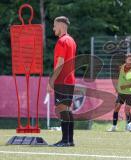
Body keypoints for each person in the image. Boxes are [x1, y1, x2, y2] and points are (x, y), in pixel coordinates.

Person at [47, 16, 76, 147]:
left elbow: (60, 63)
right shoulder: (71, 40)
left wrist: (51, 81)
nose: (53, 29)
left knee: (62, 109)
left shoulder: (62, 41)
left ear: (60, 25)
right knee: (67, 110)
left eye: (54, 25)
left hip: (62, 81)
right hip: (70, 80)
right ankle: (69, 140)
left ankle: (66, 140)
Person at [108, 53, 131, 131]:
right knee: (116, 108)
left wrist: (125, 86)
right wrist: (117, 87)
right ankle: (114, 127)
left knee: (127, 110)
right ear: (125, 59)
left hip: (130, 93)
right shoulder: (121, 68)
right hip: (121, 93)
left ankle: (128, 127)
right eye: (129, 59)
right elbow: (120, 78)